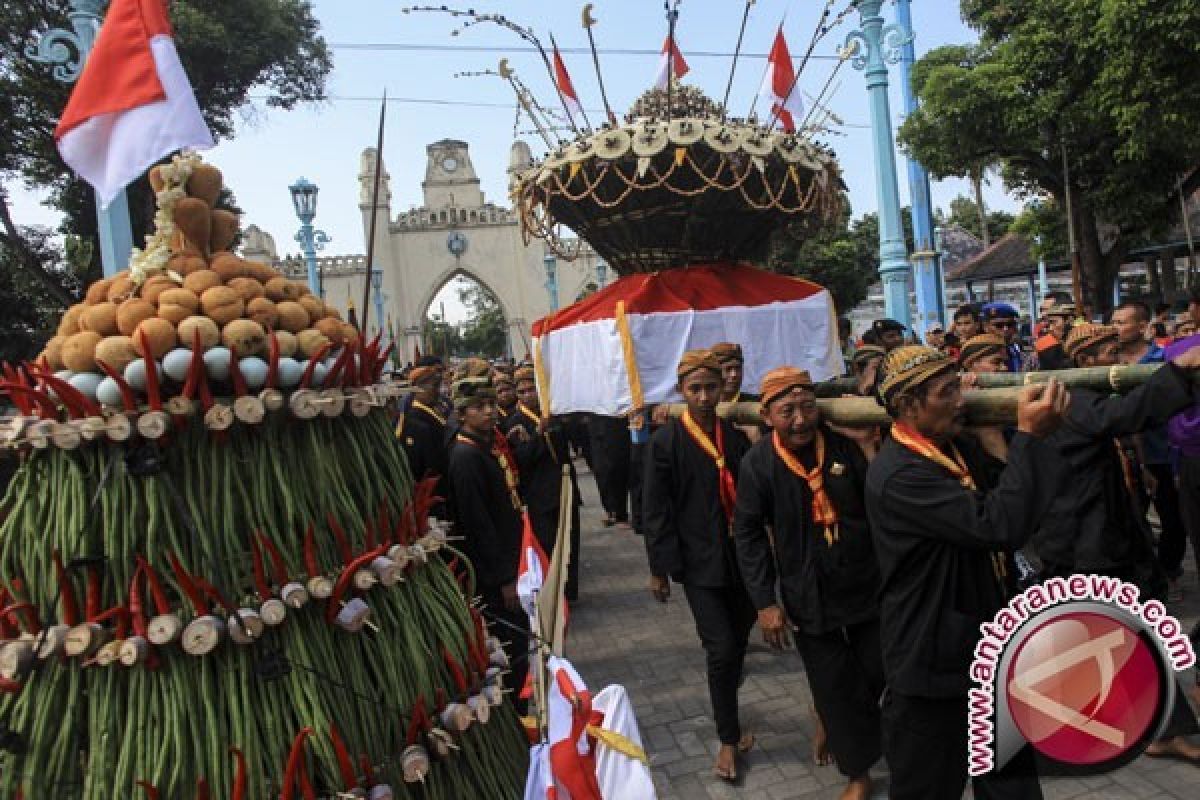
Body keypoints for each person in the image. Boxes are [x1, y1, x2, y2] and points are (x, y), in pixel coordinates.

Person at [866, 345, 1071, 799]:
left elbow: (1012, 495)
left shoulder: (952, 446)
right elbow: (999, 523)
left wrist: (996, 438)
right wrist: (1031, 439)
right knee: (927, 789)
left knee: (1013, 789)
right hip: (931, 664)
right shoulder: (899, 474)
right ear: (907, 405)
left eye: (959, 387)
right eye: (945, 392)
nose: (960, 401)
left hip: (986, 651)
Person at [734, 367, 883, 800]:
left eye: (806, 407)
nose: (799, 420)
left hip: (864, 581)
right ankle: (858, 771)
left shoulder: (842, 446)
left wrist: (869, 448)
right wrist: (765, 601)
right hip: (808, 594)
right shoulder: (758, 464)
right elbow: (747, 535)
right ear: (767, 417)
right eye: (787, 412)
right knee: (833, 682)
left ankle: (833, 722)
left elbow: (877, 499)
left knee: (877, 669)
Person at [643, 349, 754, 782]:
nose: (705, 396)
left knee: (740, 636)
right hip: (697, 561)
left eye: (711, 387)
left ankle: (728, 696)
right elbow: (655, 508)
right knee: (721, 647)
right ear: (681, 391)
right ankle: (728, 737)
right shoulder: (666, 441)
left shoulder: (735, 435)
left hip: (742, 558)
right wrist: (659, 568)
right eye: (696, 389)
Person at [446, 376, 528, 692]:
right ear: (462, 414)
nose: (490, 411)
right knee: (513, 649)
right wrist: (504, 579)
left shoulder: (483, 447)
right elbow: (478, 526)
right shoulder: (465, 457)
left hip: (511, 561)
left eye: (492, 404)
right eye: (479, 407)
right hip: (496, 578)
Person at [1112, 300, 1188, 600]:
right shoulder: (1108, 360)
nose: (1115, 328)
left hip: (1162, 452)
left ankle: (1169, 572)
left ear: (1143, 326)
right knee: (1130, 516)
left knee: (1172, 517)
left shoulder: (1165, 359)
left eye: (1122, 323)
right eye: (1114, 322)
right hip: (1123, 453)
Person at [505, 367, 582, 602]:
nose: (528, 395)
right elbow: (522, 459)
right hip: (540, 496)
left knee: (570, 543)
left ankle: (570, 591)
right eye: (523, 391)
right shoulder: (516, 421)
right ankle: (554, 594)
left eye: (532, 389)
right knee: (549, 547)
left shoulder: (553, 414)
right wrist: (538, 433)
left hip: (564, 488)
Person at [397, 364, 450, 517]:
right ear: (417, 388)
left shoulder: (433, 409)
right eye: (433, 386)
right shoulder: (416, 418)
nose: (437, 392)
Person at [588, 414, 632, 529]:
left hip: (616, 421)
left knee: (617, 468)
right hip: (595, 423)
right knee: (600, 470)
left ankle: (621, 514)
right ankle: (610, 510)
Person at [981, 302, 1026, 372]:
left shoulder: (1014, 349)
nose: (1005, 329)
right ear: (986, 327)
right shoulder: (980, 351)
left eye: (1010, 324)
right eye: (999, 325)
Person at [1034, 303, 1075, 370]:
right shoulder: (1044, 347)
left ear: (1068, 320)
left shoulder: (1082, 340)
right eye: (1049, 323)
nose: (1050, 328)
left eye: (1054, 322)